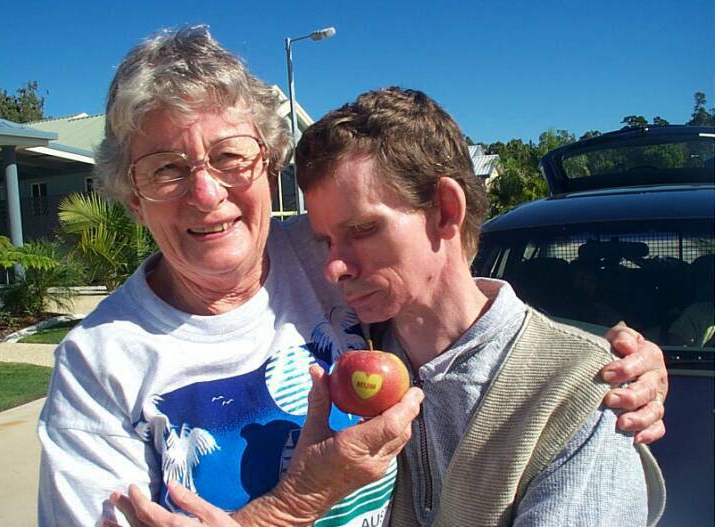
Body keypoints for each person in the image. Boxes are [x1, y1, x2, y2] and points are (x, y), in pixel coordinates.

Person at [38, 27, 668, 527]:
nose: (206, 194)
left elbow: (460, 303)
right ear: (133, 198)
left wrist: (594, 367)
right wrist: (290, 506)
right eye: (166, 169)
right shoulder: (99, 363)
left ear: (268, 166)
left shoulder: (318, 256)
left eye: (230, 156)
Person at [294, 87, 665, 525]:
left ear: (445, 211)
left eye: (362, 229)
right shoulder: (345, 351)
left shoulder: (579, 390)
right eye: (326, 241)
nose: (333, 267)